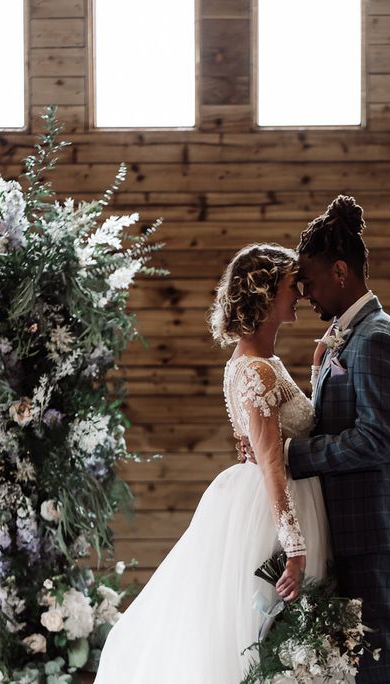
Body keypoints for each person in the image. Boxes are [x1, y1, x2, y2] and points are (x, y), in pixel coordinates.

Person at [95, 244, 332, 683]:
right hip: (272, 507)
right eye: (289, 285)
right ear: (263, 296)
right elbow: (271, 463)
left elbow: (288, 427)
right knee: (268, 636)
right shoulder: (257, 371)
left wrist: (316, 375)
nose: (298, 293)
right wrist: (295, 547)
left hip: (259, 497)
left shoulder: (254, 363)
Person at [243, 195, 390, 683]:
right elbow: (338, 420)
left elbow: (378, 439)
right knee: (354, 663)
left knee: (380, 659)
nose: (306, 294)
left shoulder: (377, 336)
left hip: (373, 529)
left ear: (341, 272)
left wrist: (292, 454)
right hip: (348, 525)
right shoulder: (346, 335)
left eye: (311, 282)